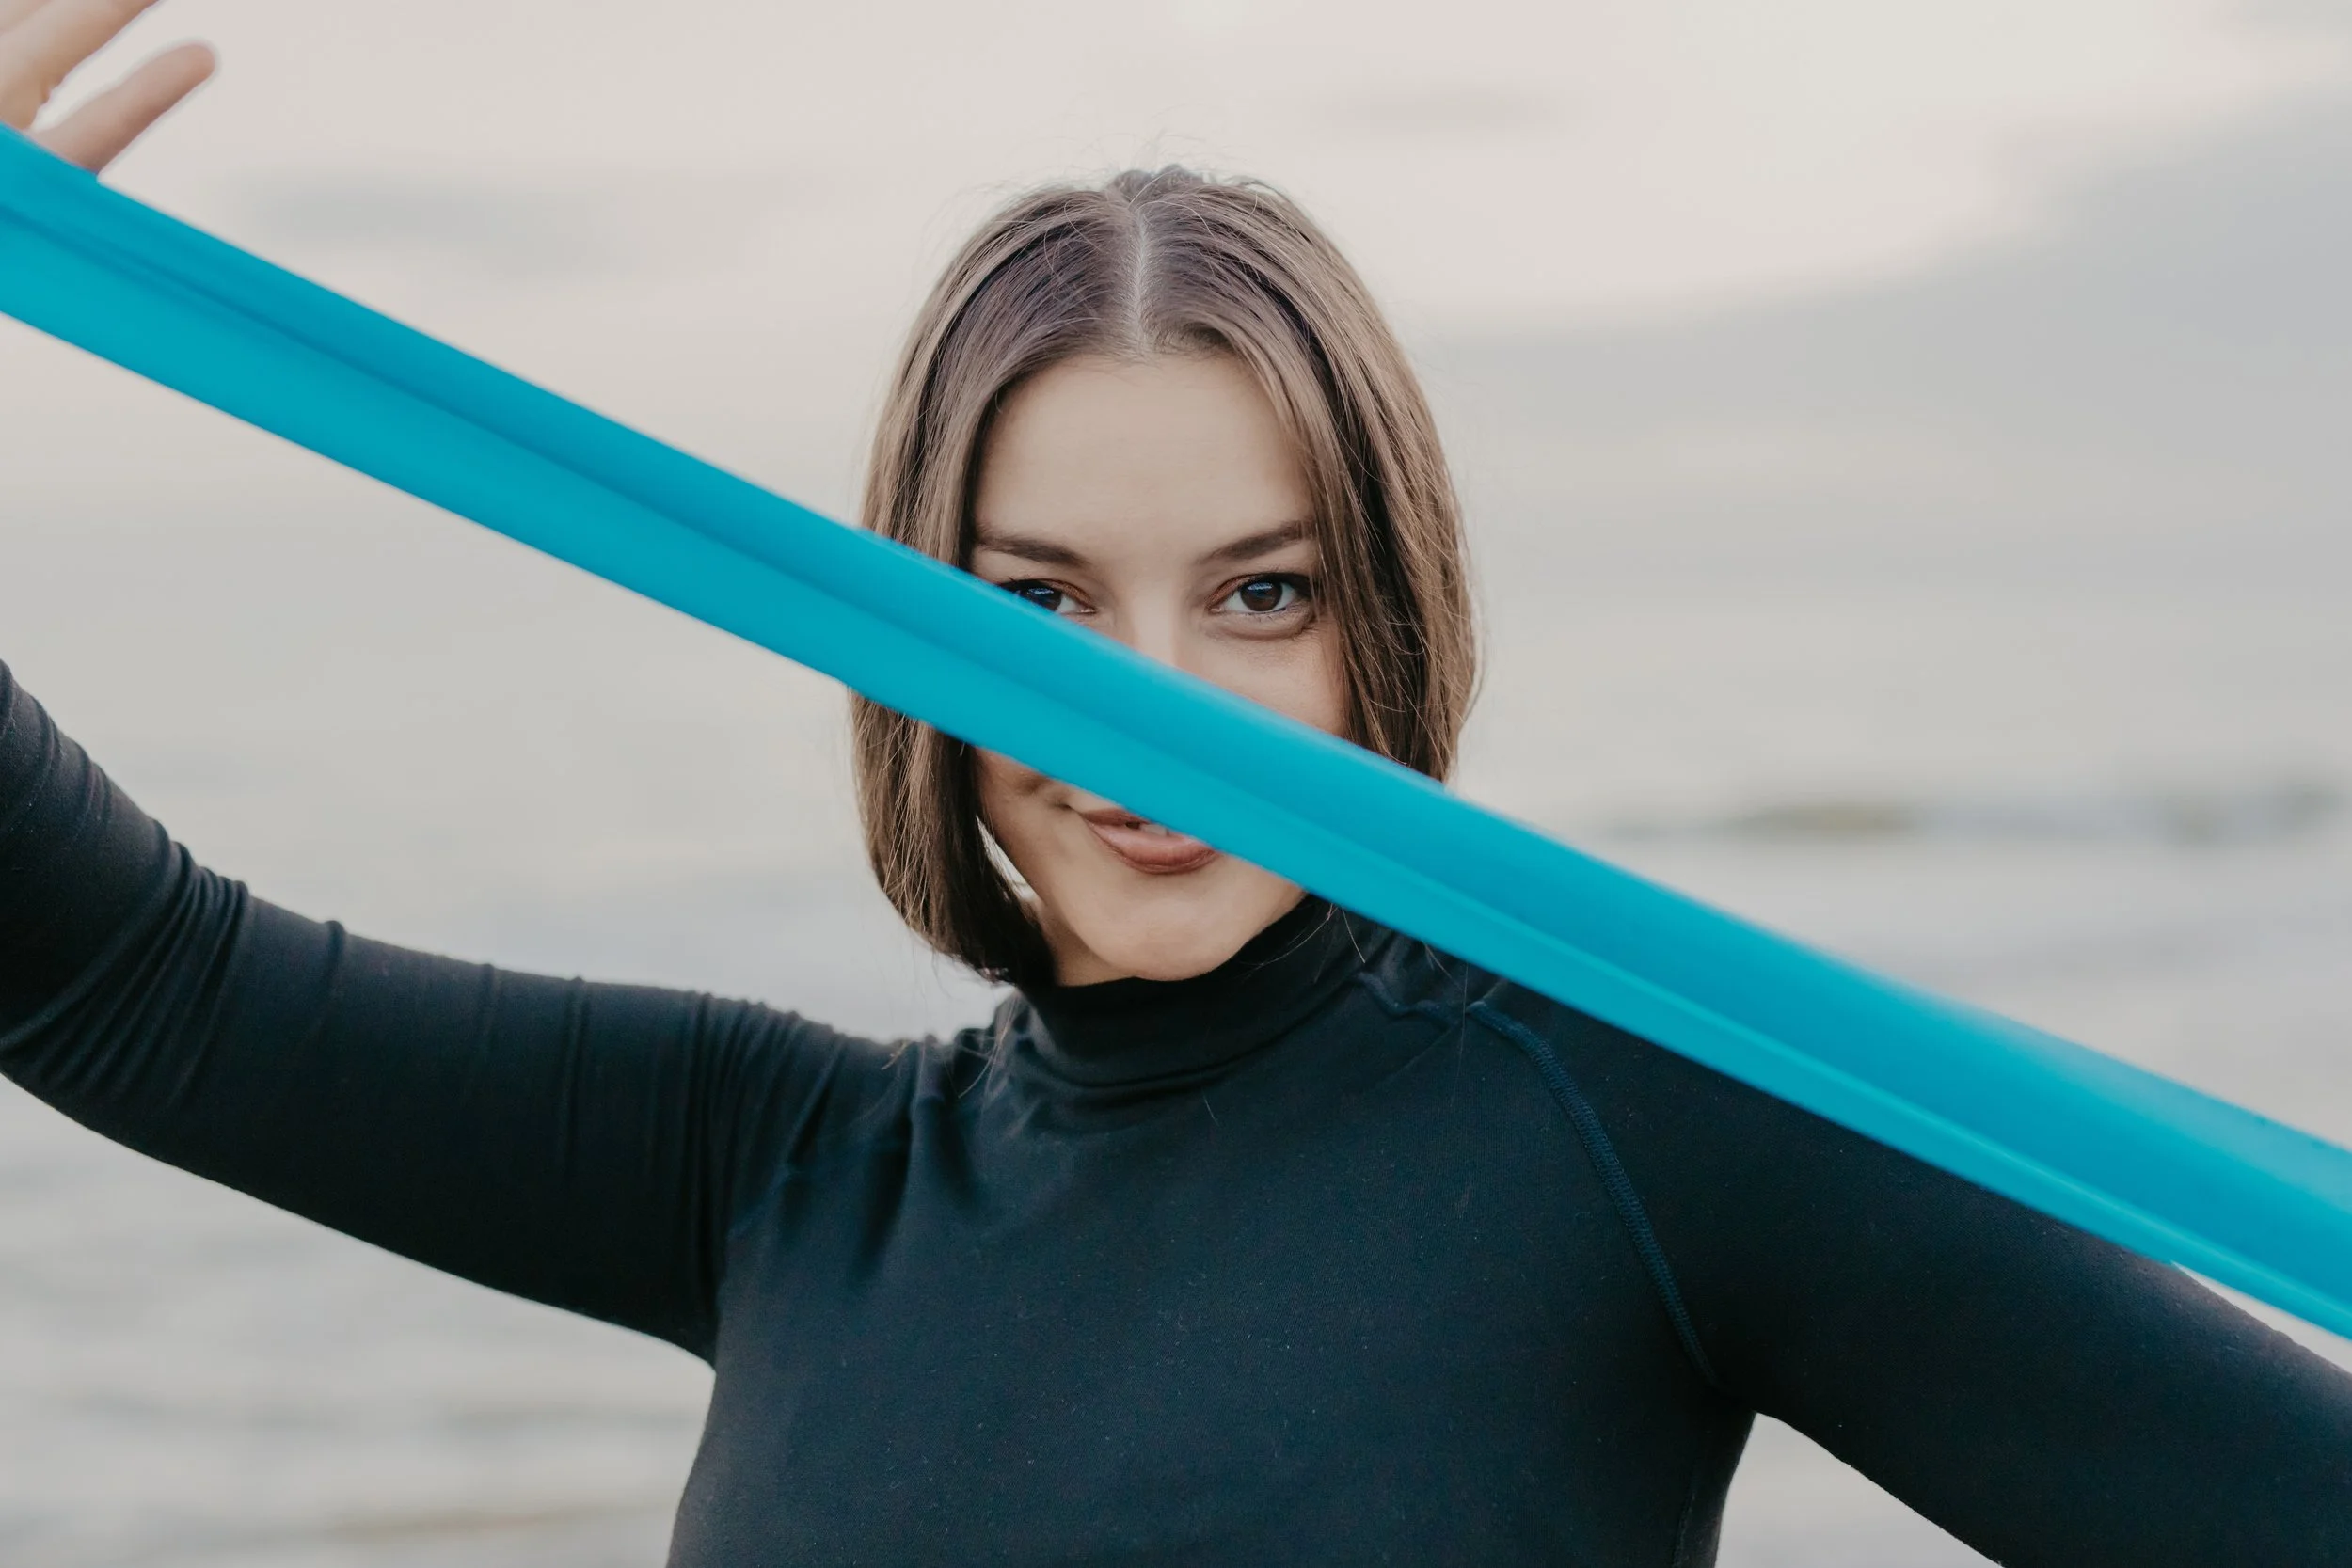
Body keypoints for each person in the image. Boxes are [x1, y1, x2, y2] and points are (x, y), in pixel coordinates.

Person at [4, 3, 2349, 1563]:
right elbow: (127, 976)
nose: (1154, 718)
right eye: (1034, 610)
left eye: (1257, 595)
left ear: (1386, 614)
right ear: (896, 637)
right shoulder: (776, 1170)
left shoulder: (1658, 1121)